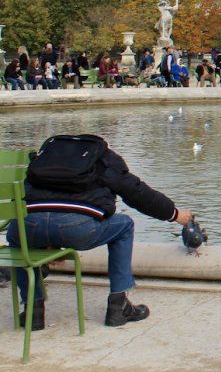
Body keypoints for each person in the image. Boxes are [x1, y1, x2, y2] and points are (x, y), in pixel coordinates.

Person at [10, 134, 195, 330]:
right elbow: (136, 192)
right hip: (77, 228)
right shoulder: (103, 158)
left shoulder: (44, 157)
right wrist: (173, 214)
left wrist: (45, 241)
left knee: (17, 237)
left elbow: (34, 199)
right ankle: (118, 305)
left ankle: (33, 310)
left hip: (30, 226)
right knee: (124, 225)